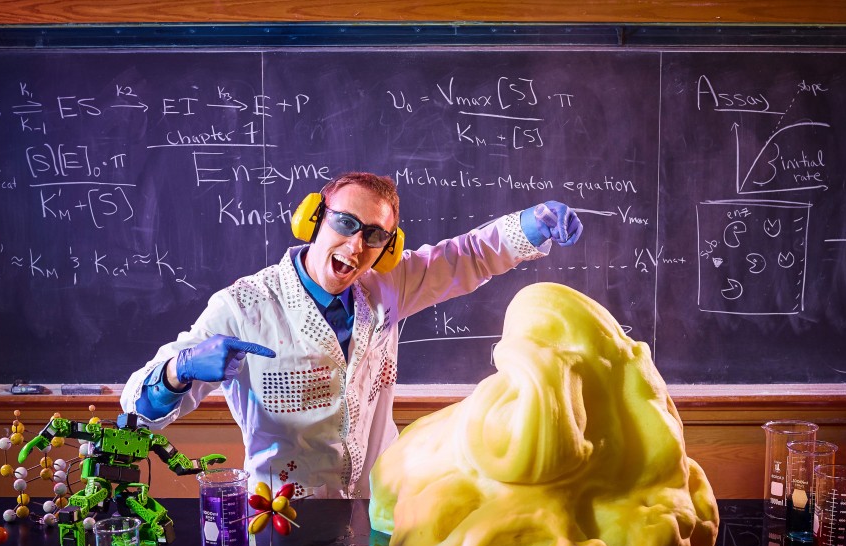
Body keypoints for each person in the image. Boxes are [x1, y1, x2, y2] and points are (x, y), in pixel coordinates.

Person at [121, 171, 584, 499]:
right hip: (283, 513)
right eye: (345, 224)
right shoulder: (243, 307)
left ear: (389, 246)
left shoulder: (387, 285)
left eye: (375, 235)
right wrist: (179, 371)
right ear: (314, 219)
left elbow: (466, 257)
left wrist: (531, 222)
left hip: (382, 503)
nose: (357, 246)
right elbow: (138, 410)